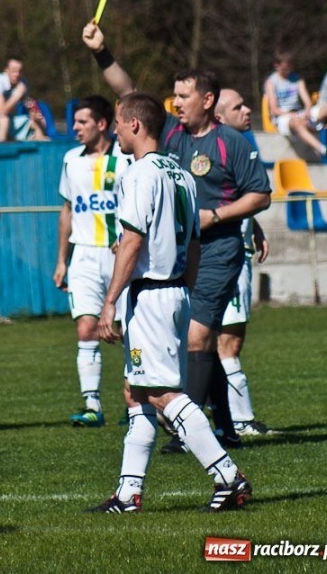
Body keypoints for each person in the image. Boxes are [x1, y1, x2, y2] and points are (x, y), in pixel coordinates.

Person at [82, 22, 272, 452]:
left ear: (207, 100)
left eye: (183, 96)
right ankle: (223, 425)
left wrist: (216, 215)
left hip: (219, 248)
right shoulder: (171, 135)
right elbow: (130, 93)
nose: (175, 102)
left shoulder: (231, 143)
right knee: (197, 341)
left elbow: (260, 194)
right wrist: (102, 52)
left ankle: (185, 431)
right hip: (182, 253)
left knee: (197, 339)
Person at [90, 92, 251, 513]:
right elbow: (194, 242)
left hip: (153, 296)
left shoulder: (140, 174)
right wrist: (185, 289)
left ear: (136, 126)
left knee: (161, 393)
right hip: (175, 290)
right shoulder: (181, 174)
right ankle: (128, 494)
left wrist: (110, 302)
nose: (116, 132)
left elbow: (132, 239)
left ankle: (228, 477)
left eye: (120, 125)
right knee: (135, 391)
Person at [53, 95, 132, 428]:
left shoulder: (127, 160)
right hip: (83, 254)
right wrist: (61, 260)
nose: (75, 128)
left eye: (82, 122)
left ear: (102, 124)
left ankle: (136, 402)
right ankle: (92, 406)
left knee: (131, 329)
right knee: (86, 328)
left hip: (119, 254)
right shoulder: (71, 160)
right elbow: (68, 209)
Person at [213, 90, 277, 436]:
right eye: (238, 106)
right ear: (219, 116)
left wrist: (255, 225)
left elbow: (240, 197)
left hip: (236, 247)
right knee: (229, 341)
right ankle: (239, 418)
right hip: (226, 256)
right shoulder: (224, 147)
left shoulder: (235, 145)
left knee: (223, 339)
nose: (248, 109)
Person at [264, 52, 327, 159]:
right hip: (283, 115)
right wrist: (292, 114)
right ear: (277, 65)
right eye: (285, 68)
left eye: (289, 67)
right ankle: (324, 150)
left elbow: (307, 101)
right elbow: (275, 109)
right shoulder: (271, 82)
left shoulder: (297, 79)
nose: (288, 71)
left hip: (299, 111)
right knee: (298, 122)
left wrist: (307, 111)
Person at [0, 58, 48, 142]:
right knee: (4, 120)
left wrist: (36, 114)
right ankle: (0, 149)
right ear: (6, 71)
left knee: (38, 121)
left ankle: (41, 145)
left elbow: (30, 105)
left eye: (20, 71)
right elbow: (2, 113)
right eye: (14, 71)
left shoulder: (22, 83)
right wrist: (17, 95)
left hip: (9, 123)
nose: (17, 74)